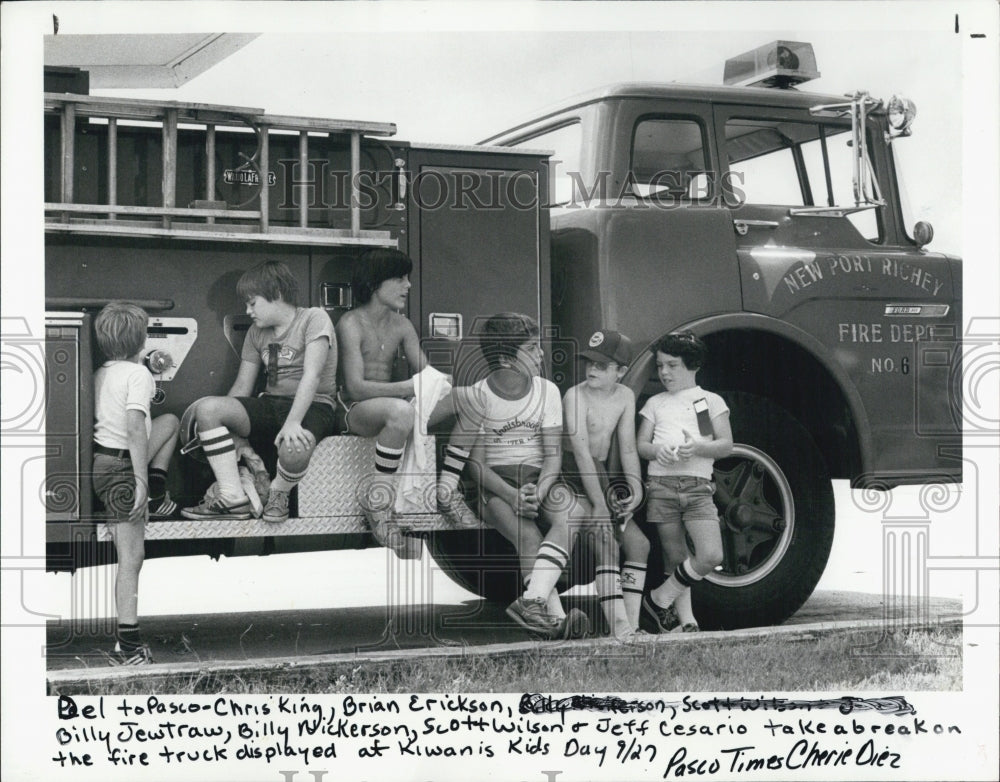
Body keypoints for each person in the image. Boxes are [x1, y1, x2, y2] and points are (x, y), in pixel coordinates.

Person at [445, 312, 589, 640]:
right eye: (532, 348)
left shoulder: (547, 390)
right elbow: (476, 466)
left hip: (538, 477)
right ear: (507, 359)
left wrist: (539, 491)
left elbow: (553, 456)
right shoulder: (480, 395)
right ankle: (555, 619)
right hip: (496, 484)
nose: (541, 354)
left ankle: (533, 603)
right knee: (528, 536)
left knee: (572, 513)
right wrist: (512, 496)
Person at [181, 260, 338, 523]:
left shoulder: (314, 318)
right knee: (207, 409)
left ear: (276, 293)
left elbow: (312, 376)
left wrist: (293, 423)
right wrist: (226, 427)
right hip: (271, 403)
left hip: (314, 405)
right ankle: (233, 497)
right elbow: (243, 386)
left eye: (252, 303)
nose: (248, 311)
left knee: (294, 446)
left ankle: (279, 493)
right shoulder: (256, 332)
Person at [335, 249, 452, 554]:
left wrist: (441, 384)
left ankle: (450, 490)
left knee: (467, 400)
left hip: (393, 410)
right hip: (355, 411)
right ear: (375, 283)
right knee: (401, 411)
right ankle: (378, 504)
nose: (408, 285)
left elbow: (425, 374)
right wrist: (410, 387)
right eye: (400, 278)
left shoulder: (403, 325)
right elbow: (355, 388)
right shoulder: (350, 323)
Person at [92, 302, 180, 665]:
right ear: (142, 340)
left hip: (103, 463)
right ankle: (127, 647)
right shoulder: (140, 374)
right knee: (132, 558)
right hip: (123, 468)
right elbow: (133, 428)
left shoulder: (101, 372)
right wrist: (140, 481)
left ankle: (158, 491)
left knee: (170, 422)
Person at [637, 332, 733, 633]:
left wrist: (698, 448)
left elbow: (724, 444)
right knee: (675, 557)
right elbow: (642, 445)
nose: (664, 372)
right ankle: (687, 621)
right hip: (661, 486)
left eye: (672, 365)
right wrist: (658, 451)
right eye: (660, 366)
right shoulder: (656, 403)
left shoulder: (706, 402)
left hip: (697, 488)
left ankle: (658, 598)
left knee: (710, 555)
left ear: (693, 365)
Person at [562, 329, 648, 639]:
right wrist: (599, 504)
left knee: (640, 545)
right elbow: (581, 452)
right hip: (571, 473)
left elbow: (627, 448)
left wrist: (636, 489)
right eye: (589, 362)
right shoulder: (574, 395)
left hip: (599, 475)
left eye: (601, 365)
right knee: (605, 541)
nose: (592, 370)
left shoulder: (625, 396)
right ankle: (620, 630)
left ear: (621, 372)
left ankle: (633, 627)